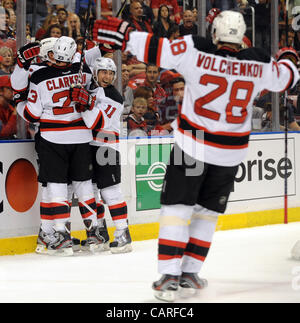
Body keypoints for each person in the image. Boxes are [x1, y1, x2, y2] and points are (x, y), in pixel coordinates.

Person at [94, 10, 300, 301]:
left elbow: (157, 49)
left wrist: (129, 34)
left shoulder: (196, 53)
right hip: (229, 152)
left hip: (193, 144)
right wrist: (290, 55)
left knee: (176, 209)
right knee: (208, 212)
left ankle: (168, 275)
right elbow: (286, 77)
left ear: (214, 33)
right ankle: (190, 271)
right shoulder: (257, 65)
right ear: (241, 37)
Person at [17, 36, 102, 256]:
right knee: (84, 185)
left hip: (53, 139)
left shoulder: (39, 75)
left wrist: (19, 101)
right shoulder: (84, 72)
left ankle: (61, 234)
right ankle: (94, 231)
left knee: (56, 187)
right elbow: (94, 98)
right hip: (82, 137)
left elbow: (31, 114)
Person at [73, 57, 133, 253]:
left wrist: (83, 104)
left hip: (106, 148)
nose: (107, 77)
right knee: (91, 192)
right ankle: (100, 235)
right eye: (103, 72)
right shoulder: (93, 88)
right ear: (96, 73)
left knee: (110, 191)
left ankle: (123, 232)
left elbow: (95, 122)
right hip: (89, 146)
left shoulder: (115, 97)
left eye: (111, 73)